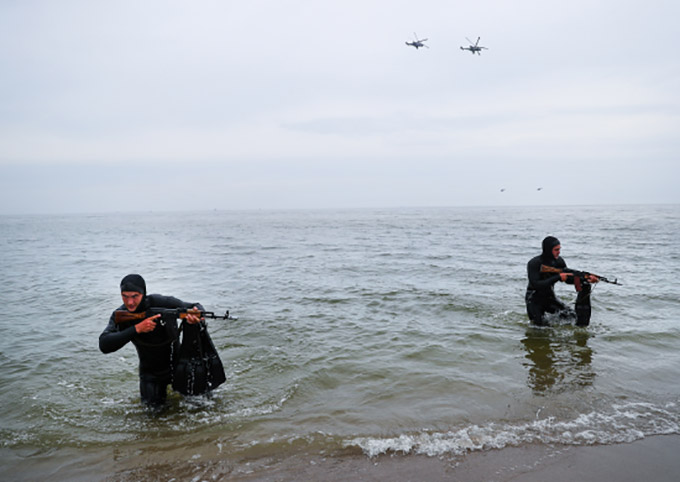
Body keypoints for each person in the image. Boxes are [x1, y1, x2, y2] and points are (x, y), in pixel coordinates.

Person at [99, 274, 203, 407]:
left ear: (143, 293)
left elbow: (195, 306)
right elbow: (104, 344)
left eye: (134, 296)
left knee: (202, 408)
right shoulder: (120, 315)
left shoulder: (163, 303)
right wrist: (137, 328)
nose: (129, 302)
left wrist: (196, 316)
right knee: (153, 420)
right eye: (125, 296)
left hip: (180, 367)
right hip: (151, 375)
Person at [525, 236, 598, 327]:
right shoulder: (534, 263)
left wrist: (586, 279)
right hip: (534, 300)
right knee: (539, 329)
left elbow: (568, 278)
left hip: (550, 298)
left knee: (571, 316)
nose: (559, 252)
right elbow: (536, 284)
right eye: (556, 250)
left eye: (559, 249)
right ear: (548, 249)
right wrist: (557, 277)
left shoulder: (559, 261)